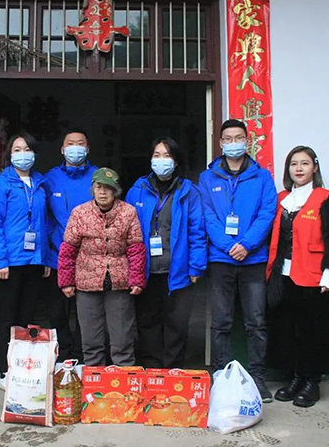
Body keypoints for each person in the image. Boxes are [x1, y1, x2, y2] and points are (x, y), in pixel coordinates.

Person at [266, 146, 329, 408]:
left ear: (315, 167)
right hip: (284, 275)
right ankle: (296, 377)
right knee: (289, 329)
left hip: (315, 278)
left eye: (304, 163)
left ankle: (312, 381)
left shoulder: (328, 199)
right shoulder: (281, 199)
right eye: (294, 164)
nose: (299, 169)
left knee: (315, 331)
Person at [198, 119, 277, 402]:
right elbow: (207, 215)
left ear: (247, 141)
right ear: (220, 143)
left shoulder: (262, 177)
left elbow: (267, 213)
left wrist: (246, 244)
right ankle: (221, 377)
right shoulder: (207, 178)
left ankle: (258, 379)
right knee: (221, 322)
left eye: (239, 138)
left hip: (253, 260)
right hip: (221, 260)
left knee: (256, 322)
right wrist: (229, 245)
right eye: (228, 138)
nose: (234, 143)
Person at [125, 137, 207, 368]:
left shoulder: (189, 192)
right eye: (157, 155)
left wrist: (196, 266)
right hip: (146, 271)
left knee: (177, 324)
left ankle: (172, 371)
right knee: (147, 322)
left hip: (178, 270)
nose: (161, 161)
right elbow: (127, 231)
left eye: (167, 156)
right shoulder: (137, 190)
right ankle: (152, 369)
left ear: (176, 161)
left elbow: (197, 230)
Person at [57, 168, 146, 366]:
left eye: (108, 188)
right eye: (99, 187)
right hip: (86, 282)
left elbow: (135, 248)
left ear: (116, 191)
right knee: (91, 340)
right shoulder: (80, 213)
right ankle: (94, 379)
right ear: (93, 190)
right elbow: (68, 249)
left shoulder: (128, 212)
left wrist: (137, 279)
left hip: (119, 283)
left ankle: (123, 378)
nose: (103, 192)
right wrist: (66, 282)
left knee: (122, 338)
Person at [0, 131, 50, 390]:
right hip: (9, 262)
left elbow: (45, 223)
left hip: (34, 261)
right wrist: (0, 260)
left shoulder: (41, 183)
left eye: (27, 149)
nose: (23, 155)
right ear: (9, 154)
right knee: (7, 317)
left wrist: (45, 257)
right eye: (17, 150)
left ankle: (23, 369)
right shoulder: (0, 183)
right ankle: (5, 371)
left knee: (27, 316)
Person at [44, 128, 97, 361]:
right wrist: (47, 252)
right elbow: (43, 216)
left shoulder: (97, 177)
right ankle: (63, 356)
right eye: (70, 144)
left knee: (87, 313)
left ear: (88, 149)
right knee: (57, 312)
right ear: (62, 149)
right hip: (57, 255)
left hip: (89, 258)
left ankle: (81, 357)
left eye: (80, 143)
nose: (75, 148)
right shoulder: (50, 179)